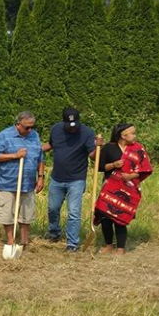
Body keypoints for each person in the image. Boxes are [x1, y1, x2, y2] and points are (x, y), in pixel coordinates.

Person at [41, 107, 98, 252]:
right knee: (53, 208)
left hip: (76, 179)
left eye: (75, 125)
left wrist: (98, 148)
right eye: (69, 126)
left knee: (73, 212)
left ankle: (72, 243)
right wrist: (35, 148)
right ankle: (54, 233)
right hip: (57, 178)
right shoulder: (56, 129)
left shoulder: (87, 132)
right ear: (64, 122)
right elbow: (51, 145)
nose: (72, 129)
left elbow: (92, 154)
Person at [95, 123, 153, 255]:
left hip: (128, 188)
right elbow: (100, 167)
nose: (135, 135)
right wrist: (114, 165)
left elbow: (145, 169)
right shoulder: (109, 148)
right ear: (123, 135)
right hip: (110, 187)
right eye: (132, 133)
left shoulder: (138, 149)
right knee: (106, 217)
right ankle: (109, 245)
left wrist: (131, 175)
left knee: (120, 217)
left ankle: (121, 248)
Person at [0, 111, 45, 249]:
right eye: (27, 127)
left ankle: (24, 241)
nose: (30, 130)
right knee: (7, 213)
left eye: (32, 126)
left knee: (26, 214)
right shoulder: (4, 135)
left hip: (27, 183)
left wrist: (40, 177)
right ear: (18, 124)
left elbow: (40, 157)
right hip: (7, 182)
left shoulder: (34, 136)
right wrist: (15, 155)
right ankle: (10, 241)